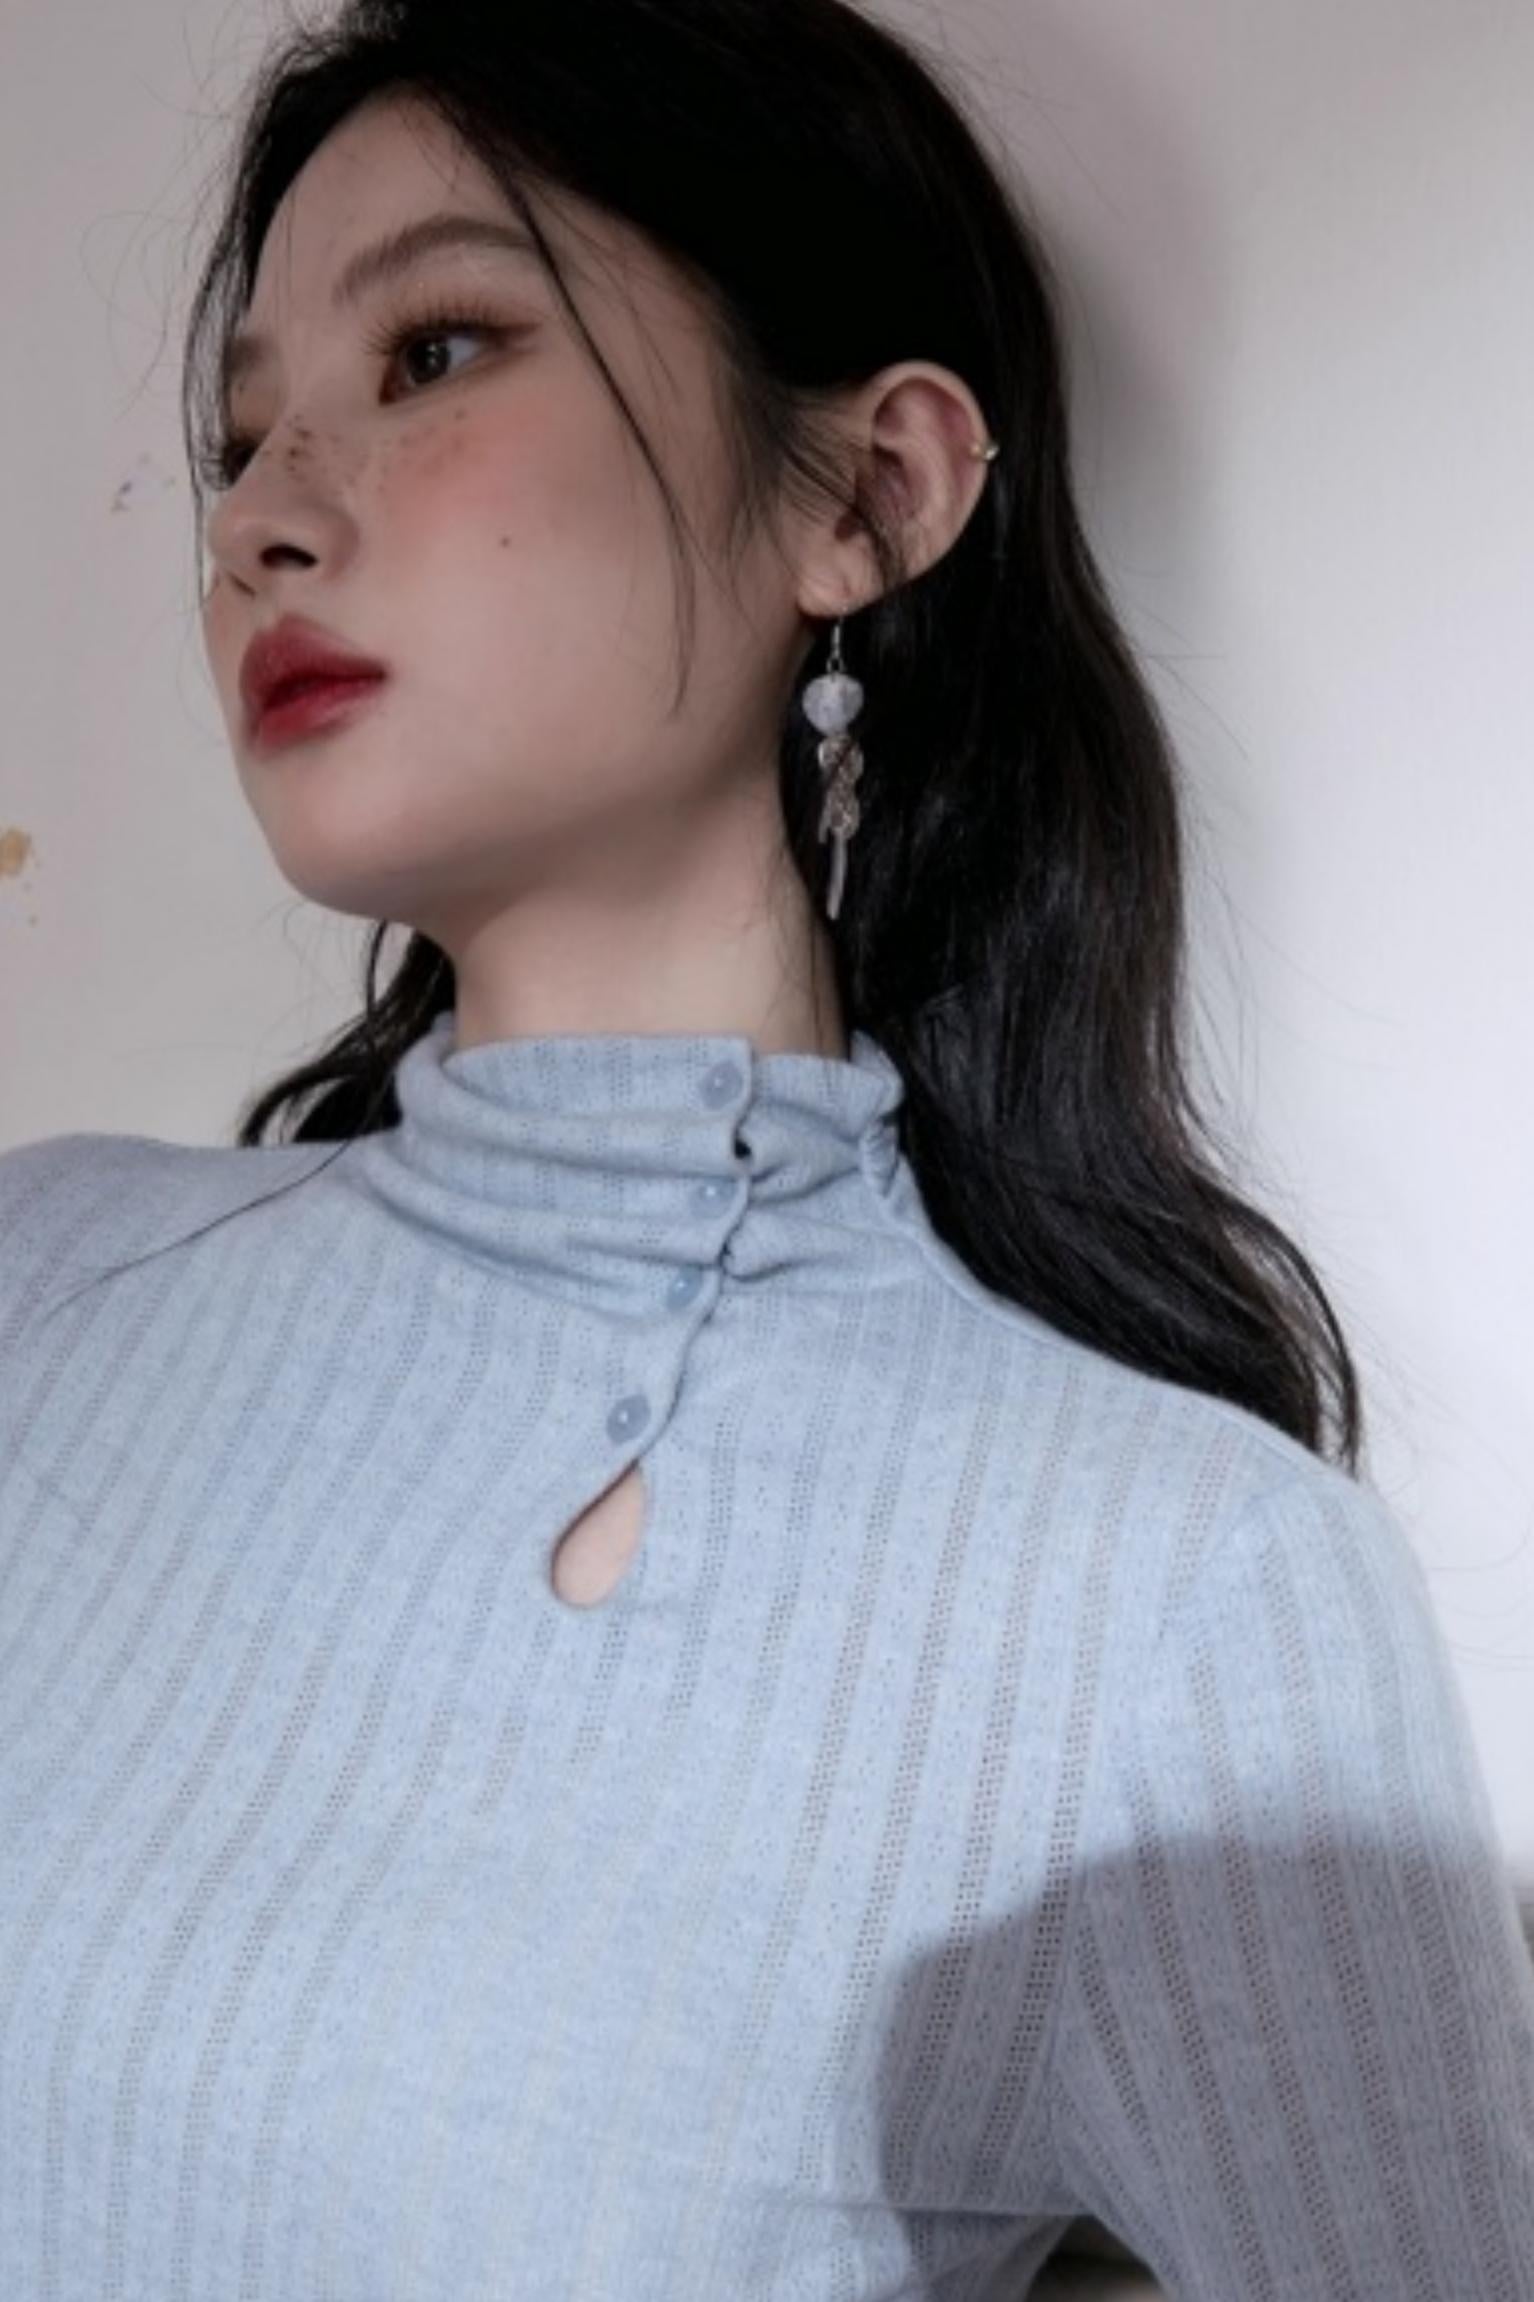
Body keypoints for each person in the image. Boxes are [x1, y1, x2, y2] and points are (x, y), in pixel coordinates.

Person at [1, 2, 1531, 2295]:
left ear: (864, 491)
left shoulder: (1175, 1603)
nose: (262, 516)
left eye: (434, 350)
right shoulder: (43, 1284)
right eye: (238, 437)